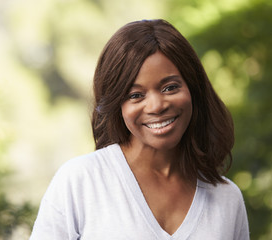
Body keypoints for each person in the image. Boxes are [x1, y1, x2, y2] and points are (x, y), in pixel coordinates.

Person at [30, 19, 249, 239]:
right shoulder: (81, 182)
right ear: (117, 105)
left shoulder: (227, 199)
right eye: (135, 95)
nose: (156, 106)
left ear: (193, 89)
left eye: (170, 87)